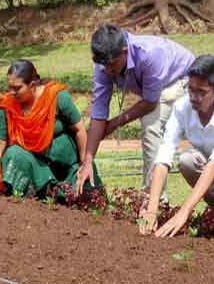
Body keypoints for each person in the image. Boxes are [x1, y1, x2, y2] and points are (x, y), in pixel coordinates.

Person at [138, 54, 214, 237]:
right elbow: (163, 157)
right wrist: (151, 209)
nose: (194, 97)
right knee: (187, 160)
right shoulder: (182, 107)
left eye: (201, 92)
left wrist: (184, 213)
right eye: (190, 90)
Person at [75, 24, 195, 197]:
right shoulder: (104, 64)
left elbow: (150, 102)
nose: (107, 70)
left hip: (181, 78)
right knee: (148, 124)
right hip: (157, 86)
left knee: (150, 126)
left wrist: (115, 123)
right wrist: (88, 160)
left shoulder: (149, 54)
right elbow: (99, 112)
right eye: (103, 66)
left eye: (111, 65)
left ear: (125, 51)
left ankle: (154, 199)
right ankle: (155, 198)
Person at [0, 60, 100, 198]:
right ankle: (38, 196)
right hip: (36, 168)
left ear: (32, 85)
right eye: (9, 87)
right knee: (14, 154)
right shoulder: (8, 108)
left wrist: (84, 164)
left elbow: (79, 129)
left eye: (17, 88)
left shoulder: (55, 97)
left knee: (87, 190)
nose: (12, 92)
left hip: (68, 167)